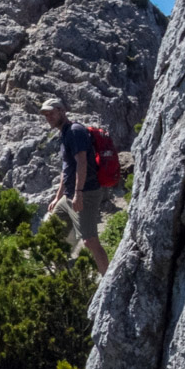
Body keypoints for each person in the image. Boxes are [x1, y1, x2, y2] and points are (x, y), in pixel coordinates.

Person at [40, 96, 110, 273]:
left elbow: (82, 163)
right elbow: (67, 169)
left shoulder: (75, 131)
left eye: (51, 113)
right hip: (69, 195)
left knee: (90, 241)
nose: (49, 117)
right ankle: (62, 274)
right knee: (53, 231)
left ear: (62, 111)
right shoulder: (64, 133)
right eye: (46, 115)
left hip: (85, 193)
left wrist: (78, 192)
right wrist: (57, 198)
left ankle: (108, 279)